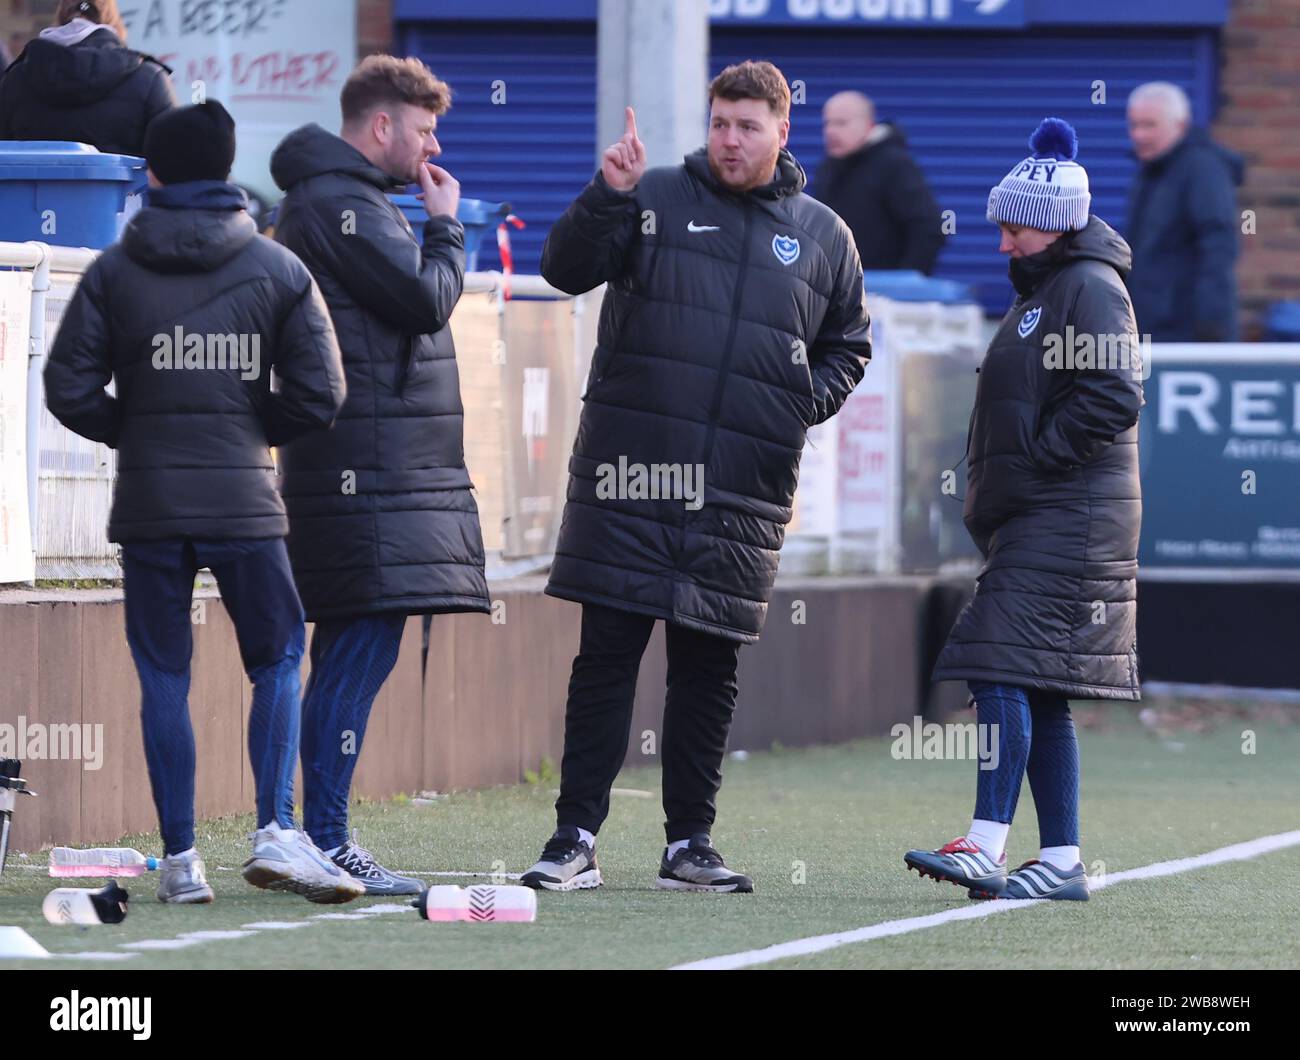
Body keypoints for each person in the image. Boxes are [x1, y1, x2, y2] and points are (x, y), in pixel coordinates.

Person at [521, 60, 872, 894]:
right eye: (719, 122)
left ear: (783, 131)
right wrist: (606, 192)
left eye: (748, 126)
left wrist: (797, 403)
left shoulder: (825, 235)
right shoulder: (653, 198)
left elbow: (850, 346)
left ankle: (691, 846)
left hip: (744, 487)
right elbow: (562, 269)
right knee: (606, 657)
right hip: (631, 473)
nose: (729, 140)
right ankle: (574, 838)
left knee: (708, 670)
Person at [43, 101, 357, 904]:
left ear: (149, 173)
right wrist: (252, 430)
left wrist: (134, 432)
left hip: (149, 503)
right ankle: (274, 831)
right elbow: (322, 393)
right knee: (280, 658)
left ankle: (181, 861)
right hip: (245, 500)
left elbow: (67, 385)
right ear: (227, 172)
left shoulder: (113, 270)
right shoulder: (280, 269)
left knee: (161, 675)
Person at [270, 56, 490, 894]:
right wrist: (447, 222)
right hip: (364, 470)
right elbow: (427, 301)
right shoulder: (342, 205)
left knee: (349, 653)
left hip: (374, 469)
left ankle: (310, 833)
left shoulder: (342, 199)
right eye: (424, 130)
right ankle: (323, 837)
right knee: (357, 652)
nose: (433, 146)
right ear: (382, 126)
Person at [909, 119, 1144, 902]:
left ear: (1052, 222)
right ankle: (1064, 861)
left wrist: (1041, 460)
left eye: (1012, 226)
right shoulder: (1052, 288)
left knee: (995, 661)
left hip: (1068, 516)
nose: (1002, 242)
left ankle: (986, 843)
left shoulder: (1089, 287)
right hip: (1046, 514)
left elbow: (1115, 391)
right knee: (1038, 683)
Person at [1125, 81, 1244, 342]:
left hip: (1186, 333)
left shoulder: (1202, 169)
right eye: (1134, 125)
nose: (1138, 135)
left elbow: (1218, 246)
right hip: (1150, 329)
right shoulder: (1153, 172)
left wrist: (1211, 325)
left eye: (1149, 125)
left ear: (1180, 125)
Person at [0, 0, 174, 155]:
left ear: (60, 16)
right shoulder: (149, 78)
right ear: (113, 20)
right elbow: (175, 159)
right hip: (126, 192)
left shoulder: (15, 79)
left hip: (30, 191)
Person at [813, 90, 944, 274]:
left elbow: (928, 228)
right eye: (827, 123)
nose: (830, 131)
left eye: (841, 123)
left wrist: (904, 282)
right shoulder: (828, 169)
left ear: (869, 125)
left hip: (884, 295)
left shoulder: (894, 165)